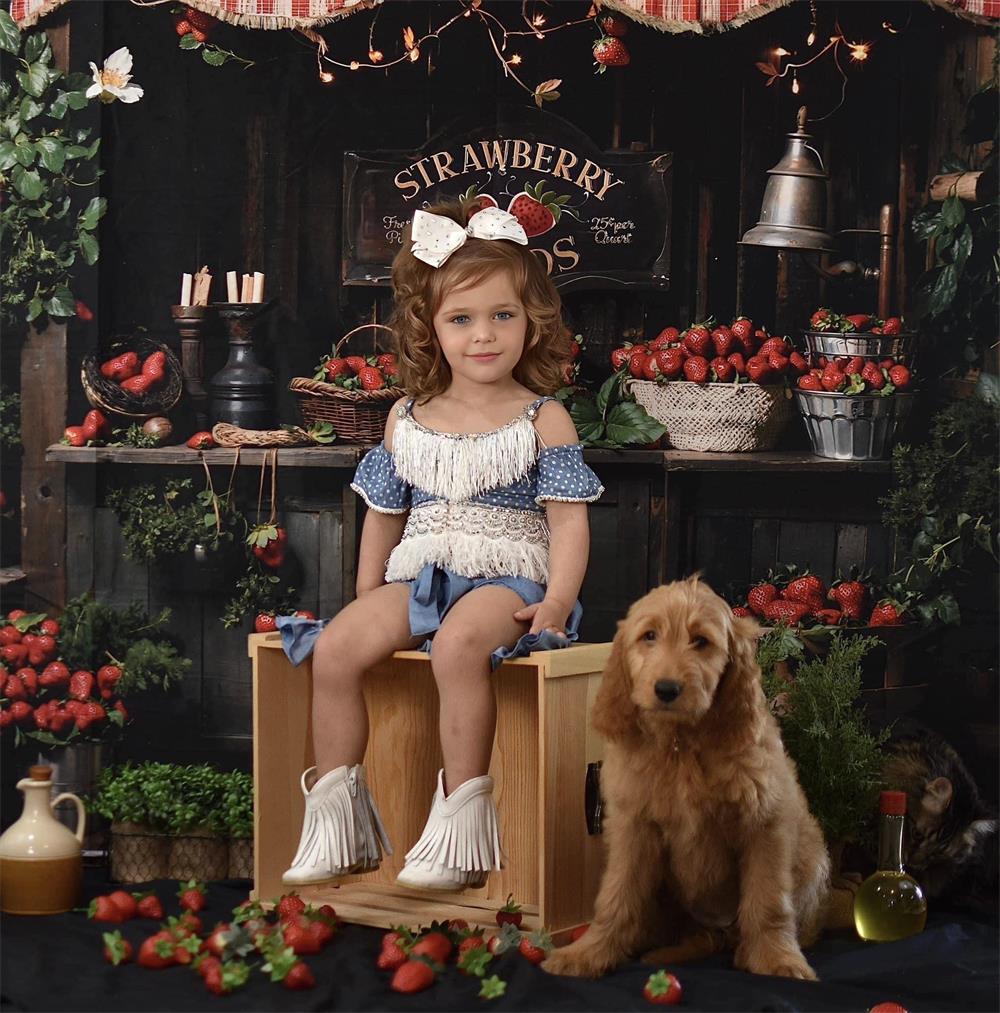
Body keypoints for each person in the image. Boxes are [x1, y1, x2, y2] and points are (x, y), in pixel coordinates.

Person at [280, 198, 604, 892]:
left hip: (508, 580)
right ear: (430, 327)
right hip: (419, 576)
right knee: (336, 647)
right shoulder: (407, 416)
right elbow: (383, 513)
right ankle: (337, 827)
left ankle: (459, 831)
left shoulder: (541, 417)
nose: (483, 335)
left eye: (502, 316)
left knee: (460, 645)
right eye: (462, 319)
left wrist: (557, 600)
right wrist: (370, 595)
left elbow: (570, 522)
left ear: (531, 322)